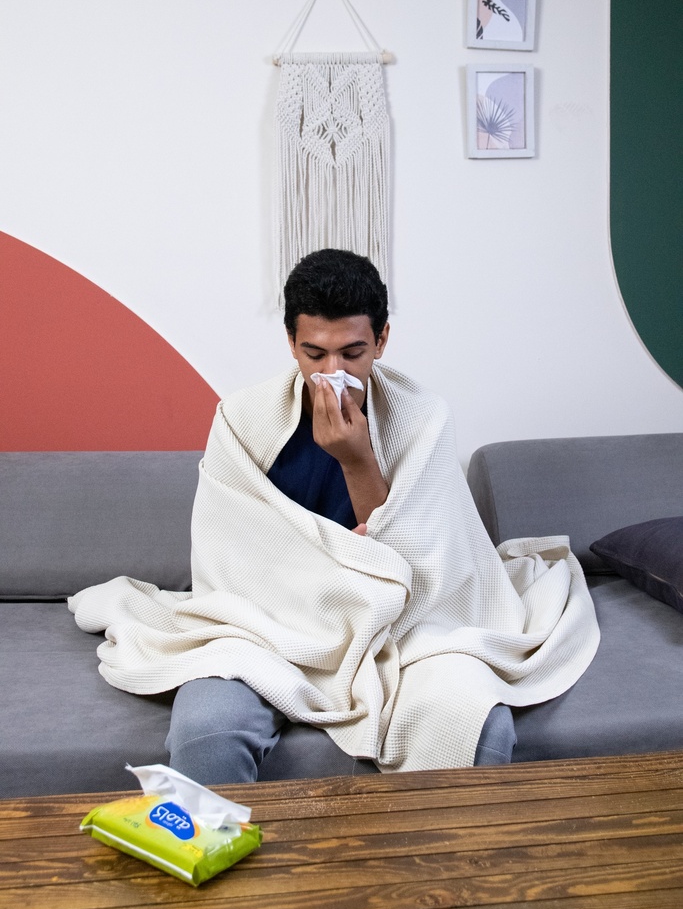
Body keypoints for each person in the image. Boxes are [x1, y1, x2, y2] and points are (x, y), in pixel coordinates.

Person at [70, 250, 599, 782]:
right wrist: (346, 556)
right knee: (206, 730)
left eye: (352, 353)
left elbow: (422, 570)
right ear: (291, 343)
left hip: (401, 632)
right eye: (315, 353)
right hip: (261, 629)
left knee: (472, 720)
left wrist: (357, 459)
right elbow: (230, 558)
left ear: (382, 340)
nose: (332, 374)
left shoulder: (422, 417)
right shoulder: (241, 420)